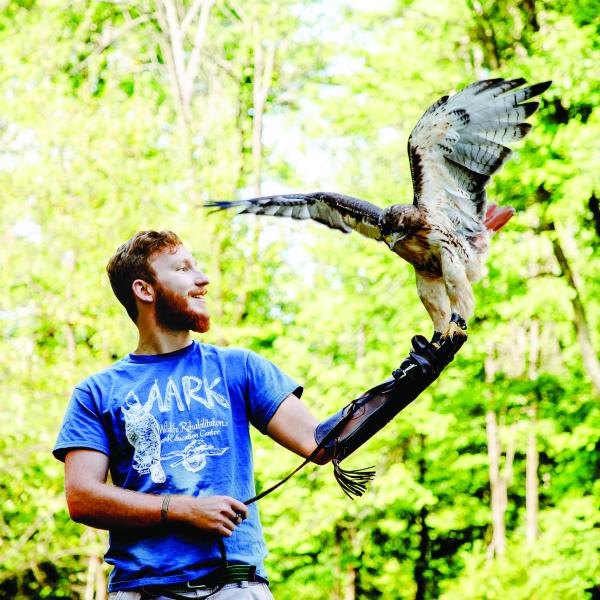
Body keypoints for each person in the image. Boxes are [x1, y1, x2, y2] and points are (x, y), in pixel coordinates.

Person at [53, 229, 464, 599]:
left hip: (237, 586)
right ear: (145, 290)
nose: (203, 279)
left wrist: (411, 380)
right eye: (183, 269)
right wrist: (180, 509)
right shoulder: (97, 391)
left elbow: (322, 443)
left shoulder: (239, 368)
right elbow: (82, 497)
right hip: (143, 592)